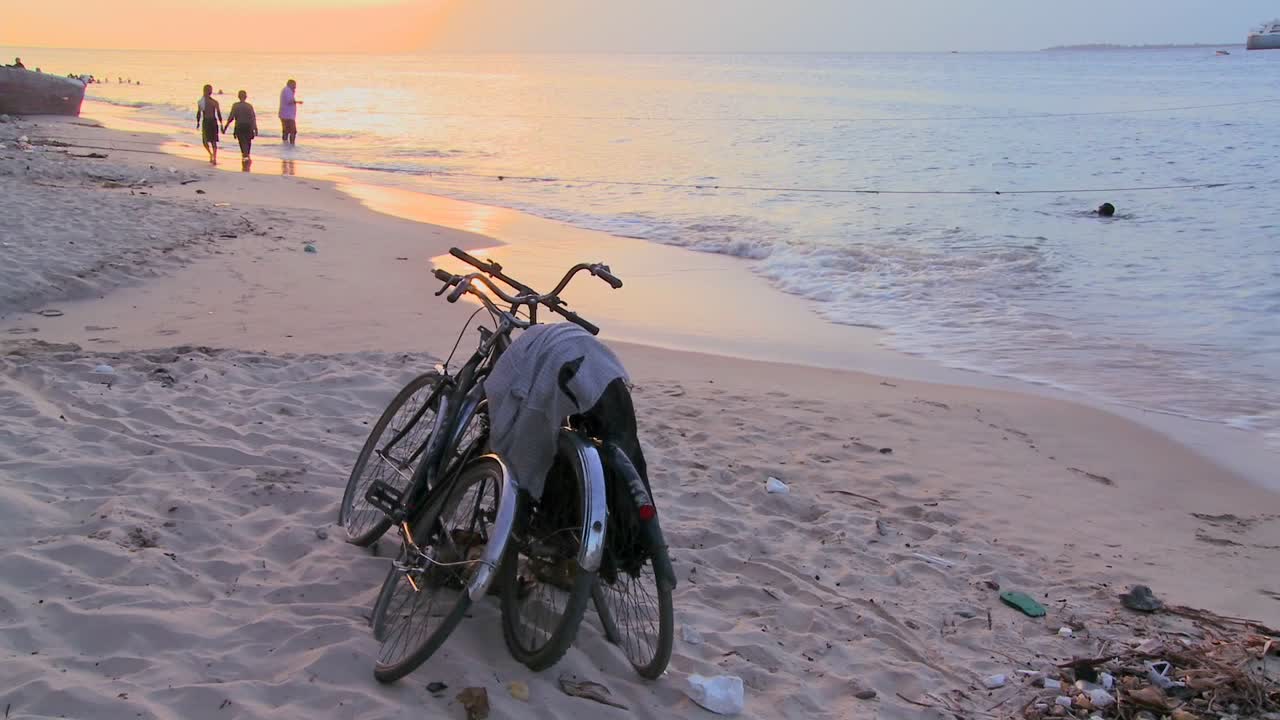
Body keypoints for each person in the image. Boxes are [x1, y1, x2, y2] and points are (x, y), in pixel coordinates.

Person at [223, 90, 259, 165]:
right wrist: (255, 128)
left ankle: (245, 155)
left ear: (238, 97)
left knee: (242, 142)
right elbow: (253, 118)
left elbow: (231, 117)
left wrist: (226, 127)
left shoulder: (235, 105)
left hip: (239, 126)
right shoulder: (249, 106)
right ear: (245, 97)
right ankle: (247, 155)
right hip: (248, 126)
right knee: (248, 142)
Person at [195, 84, 223, 165]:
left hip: (210, 121)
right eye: (209, 90)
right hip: (209, 121)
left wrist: (221, 123)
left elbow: (218, 113)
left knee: (212, 141)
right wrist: (198, 122)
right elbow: (199, 113)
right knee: (206, 141)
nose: (210, 92)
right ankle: (211, 155)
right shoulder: (202, 101)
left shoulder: (212, 102)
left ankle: (214, 157)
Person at [278, 79, 303, 145]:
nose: (295, 87)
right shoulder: (287, 90)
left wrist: (293, 92)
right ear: (290, 84)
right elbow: (289, 101)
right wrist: (298, 102)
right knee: (293, 131)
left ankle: (285, 144)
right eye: (294, 85)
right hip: (287, 115)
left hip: (286, 114)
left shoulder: (287, 90)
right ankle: (291, 145)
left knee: (286, 131)